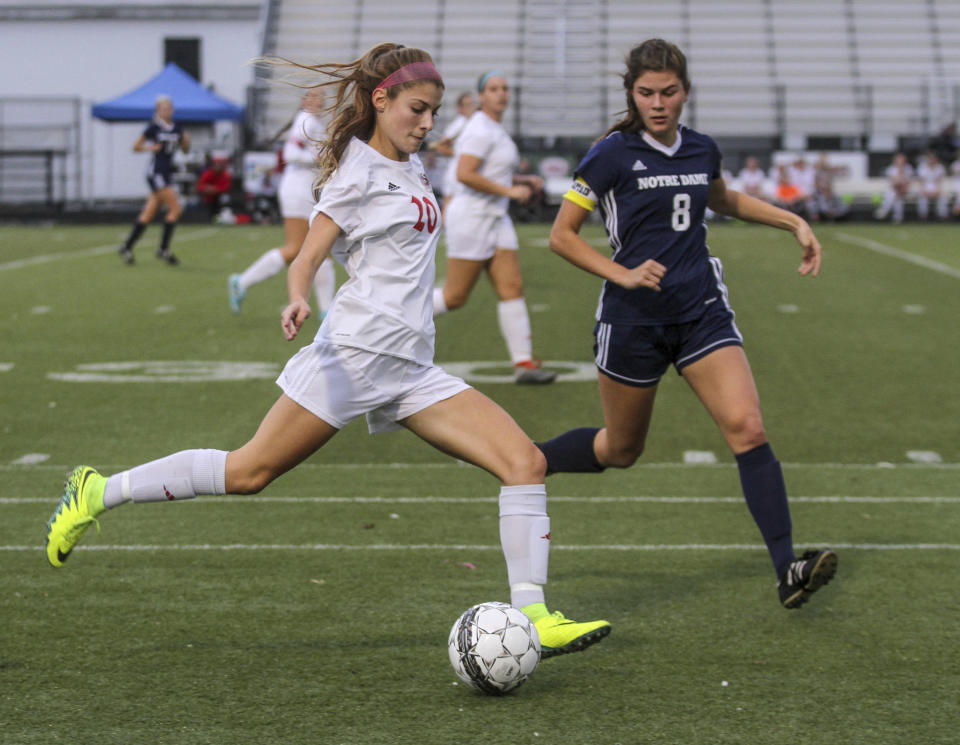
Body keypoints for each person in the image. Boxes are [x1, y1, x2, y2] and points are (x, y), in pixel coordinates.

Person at [44, 43, 610, 658]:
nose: (426, 123)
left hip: (411, 368)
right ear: (381, 100)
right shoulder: (356, 174)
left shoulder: (413, 165)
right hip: (354, 354)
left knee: (523, 463)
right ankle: (98, 490)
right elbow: (309, 255)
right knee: (249, 471)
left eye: (434, 113)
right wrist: (295, 296)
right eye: (416, 110)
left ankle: (535, 614)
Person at [535, 38, 837, 610]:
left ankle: (788, 569)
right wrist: (619, 274)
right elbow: (561, 236)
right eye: (646, 92)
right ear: (632, 93)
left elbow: (722, 198)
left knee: (747, 428)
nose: (657, 102)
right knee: (621, 449)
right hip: (633, 322)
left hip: (700, 311)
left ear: (685, 93)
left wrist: (791, 220)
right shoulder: (610, 154)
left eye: (668, 92)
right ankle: (531, 458)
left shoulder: (701, 149)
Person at [432, 71, 556, 385]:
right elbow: (464, 173)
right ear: (481, 96)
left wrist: (521, 180)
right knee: (454, 297)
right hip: (472, 216)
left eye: (504, 88)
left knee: (511, 288)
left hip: (495, 217)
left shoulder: (493, 128)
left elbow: (491, 172)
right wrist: (510, 192)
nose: (501, 94)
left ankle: (524, 365)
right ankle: (389, 318)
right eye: (493, 89)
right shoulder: (478, 129)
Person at [228, 88, 336, 316]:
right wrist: (319, 158)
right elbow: (290, 154)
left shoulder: (311, 122)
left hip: (306, 188)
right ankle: (241, 282)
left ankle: (327, 311)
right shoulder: (305, 120)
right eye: (313, 96)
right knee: (300, 248)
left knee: (321, 247)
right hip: (299, 189)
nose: (318, 101)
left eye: (321, 97)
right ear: (304, 100)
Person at [118, 94, 190, 265]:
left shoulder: (177, 128)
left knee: (148, 214)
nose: (167, 112)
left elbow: (185, 150)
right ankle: (163, 249)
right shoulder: (153, 128)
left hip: (166, 173)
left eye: (169, 109)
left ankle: (127, 246)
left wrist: (187, 142)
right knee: (175, 209)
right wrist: (151, 147)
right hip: (156, 173)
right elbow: (136, 147)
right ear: (158, 111)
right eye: (163, 109)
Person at [432, 91, 476, 210]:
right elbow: (441, 147)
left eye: (471, 104)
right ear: (459, 108)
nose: (470, 108)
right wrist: (459, 155)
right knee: (449, 204)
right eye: (467, 105)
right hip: (455, 171)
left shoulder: (476, 123)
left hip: (471, 170)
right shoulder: (458, 125)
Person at [874, 152, 914, 224]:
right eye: (899, 159)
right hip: (895, 189)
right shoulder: (891, 169)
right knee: (893, 196)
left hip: (905, 189)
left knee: (896, 196)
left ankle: (885, 211)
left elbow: (907, 182)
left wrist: (902, 190)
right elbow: (894, 182)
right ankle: (895, 217)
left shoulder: (908, 168)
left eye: (902, 159)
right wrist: (898, 190)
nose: (900, 161)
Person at [195, 154, 234, 221]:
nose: (218, 166)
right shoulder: (208, 173)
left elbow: (226, 188)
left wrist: (214, 189)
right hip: (208, 196)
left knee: (224, 199)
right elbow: (199, 186)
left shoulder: (226, 175)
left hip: (219, 197)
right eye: (216, 164)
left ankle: (220, 217)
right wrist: (207, 189)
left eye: (220, 164)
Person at [915, 150, 948, 221]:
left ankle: (943, 217)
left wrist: (938, 191)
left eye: (933, 159)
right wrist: (924, 191)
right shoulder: (922, 168)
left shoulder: (940, 168)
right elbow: (921, 182)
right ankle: (923, 218)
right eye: (930, 159)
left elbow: (940, 182)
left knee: (942, 198)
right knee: (922, 199)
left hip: (936, 189)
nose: (931, 160)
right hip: (925, 189)